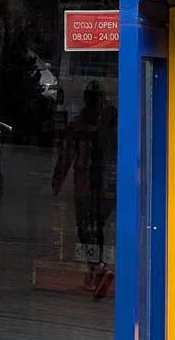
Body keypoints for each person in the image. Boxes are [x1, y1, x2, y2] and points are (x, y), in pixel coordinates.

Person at [52, 79, 115, 296]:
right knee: (100, 226)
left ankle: (96, 268)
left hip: (86, 183)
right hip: (107, 184)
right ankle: (97, 268)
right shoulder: (113, 122)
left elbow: (66, 156)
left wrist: (56, 182)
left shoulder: (78, 124)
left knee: (85, 227)